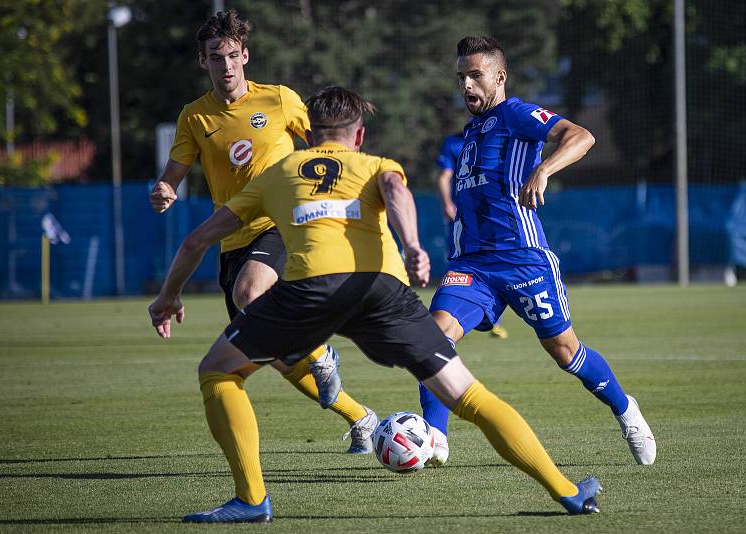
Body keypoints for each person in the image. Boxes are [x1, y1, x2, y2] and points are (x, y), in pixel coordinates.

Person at [148, 86, 602, 523]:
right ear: (358, 135)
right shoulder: (376, 164)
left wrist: (168, 298)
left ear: (308, 135)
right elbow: (396, 190)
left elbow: (197, 240)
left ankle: (252, 499)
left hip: (310, 292)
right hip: (383, 292)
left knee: (218, 371)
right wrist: (413, 247)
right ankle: (566, 491)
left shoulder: (277, 174)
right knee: (468, 395)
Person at [419, 36, 656, 468]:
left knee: (565, 352)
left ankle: (627, 411)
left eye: (476, 75)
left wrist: (544, 169)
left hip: (522, 259)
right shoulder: (470, 132)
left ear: (500, 77)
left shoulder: (514, 113)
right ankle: (433, 437)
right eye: (461, 78)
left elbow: (580, 136)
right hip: (471, 264)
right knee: (432, 339)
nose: (467, 85)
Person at [147, 10, 377, 453]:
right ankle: (360, 417)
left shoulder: (279, 99)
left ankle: (321, 353)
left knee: (251, 295)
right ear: (204, 62)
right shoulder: (195, 117)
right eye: (216, 57)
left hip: (282, 224)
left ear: (245, 55)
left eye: (233, 55)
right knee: (274, 353)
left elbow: (327, 144)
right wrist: (163, 190)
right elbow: (172, 175)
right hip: (233, 238)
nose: (226, 65)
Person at [434, 131, 509, 340]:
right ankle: (453, 314)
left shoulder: (496, 137)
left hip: (492, 214)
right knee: (460, 262)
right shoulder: (454, 142)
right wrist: (447, 203)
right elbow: (444, 176)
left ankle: (493, 316)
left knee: (497, 261)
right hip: (464, 217)